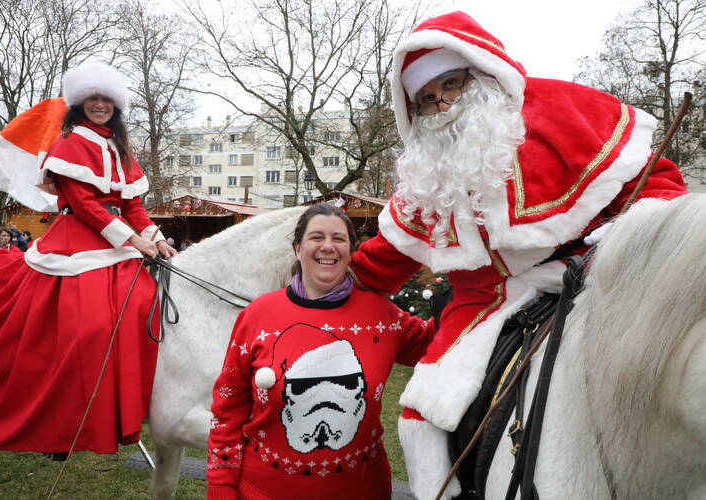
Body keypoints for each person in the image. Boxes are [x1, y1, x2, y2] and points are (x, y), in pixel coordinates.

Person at [348, 11, 688, 499]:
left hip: (595, 273)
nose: (442, 102)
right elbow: (383, 259)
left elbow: (656, 183)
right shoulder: (429, 174)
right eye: (426, 98)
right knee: (424, 408)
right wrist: (326, 284)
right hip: (483, 302)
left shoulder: (562, 110)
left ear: (480, 74)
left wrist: (623, 236)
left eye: (451, 83)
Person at [0, 61, 176, 458]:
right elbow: (83, 203)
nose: (100, 104)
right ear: (80, 103)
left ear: (116, 105)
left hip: (116, 239)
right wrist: (131, 239)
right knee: (91, 325)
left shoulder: (120, 147)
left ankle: (129, 405)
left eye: (106, 99)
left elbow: (133, 204)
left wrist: (155, 239)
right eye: (93, 98)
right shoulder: (70, 140)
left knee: (145, 302)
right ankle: (68, 414)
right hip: (78, 238)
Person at [206, 204, 435, 500]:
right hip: (262, 491)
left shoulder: (383, 317)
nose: (328, 246)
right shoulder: (257, 316)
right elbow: (228, 408)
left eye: (338, 239)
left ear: (351, 251)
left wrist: (473, 285)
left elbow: (442, 340)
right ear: (297, 248)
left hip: (363, 492)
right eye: (317, 237)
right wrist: (221, 483)